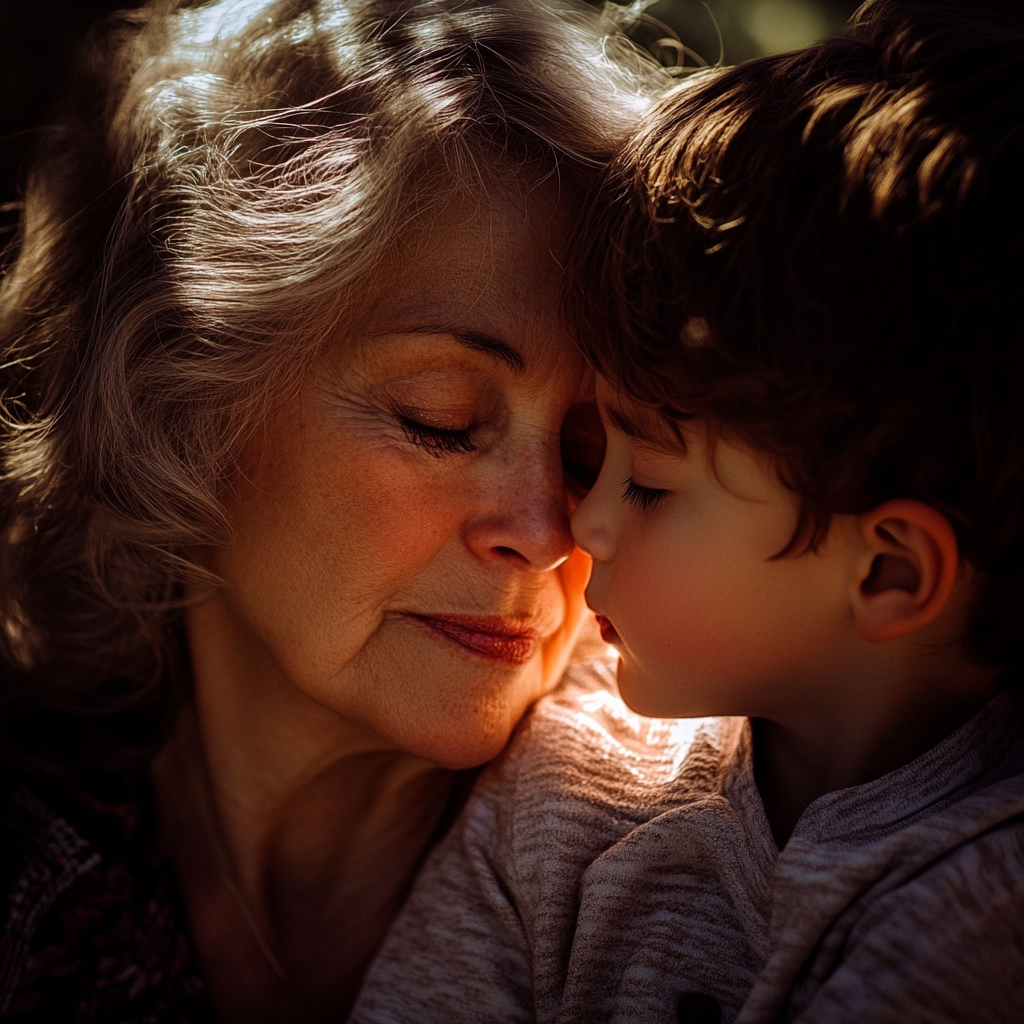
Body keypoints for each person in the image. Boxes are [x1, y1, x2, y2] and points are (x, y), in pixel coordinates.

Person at [349, 2, 1024, 1022]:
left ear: (887, 571)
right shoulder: (565, 778)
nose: (583, 524)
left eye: (650, 483)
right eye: (595, 455)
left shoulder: (988, 903)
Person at [0, 1, 669, 1021]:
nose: (546, 530)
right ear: (188, 401)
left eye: (592, 453)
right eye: (438, 419)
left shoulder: (698, 865)